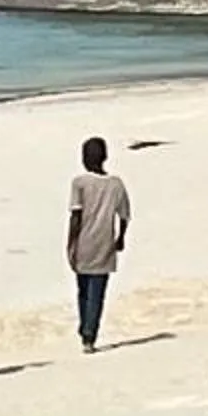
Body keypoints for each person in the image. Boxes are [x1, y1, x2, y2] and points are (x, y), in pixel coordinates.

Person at [67, 137, 132, 351]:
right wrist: (121, 237)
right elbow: (124, 215)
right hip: (105, 244)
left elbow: (76, 216)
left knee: (83, 290)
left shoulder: (80, 183)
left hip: (85, 243)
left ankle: (86, 328)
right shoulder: (115, 184)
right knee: (97, 292)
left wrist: (70, 243)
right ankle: (89, 334)